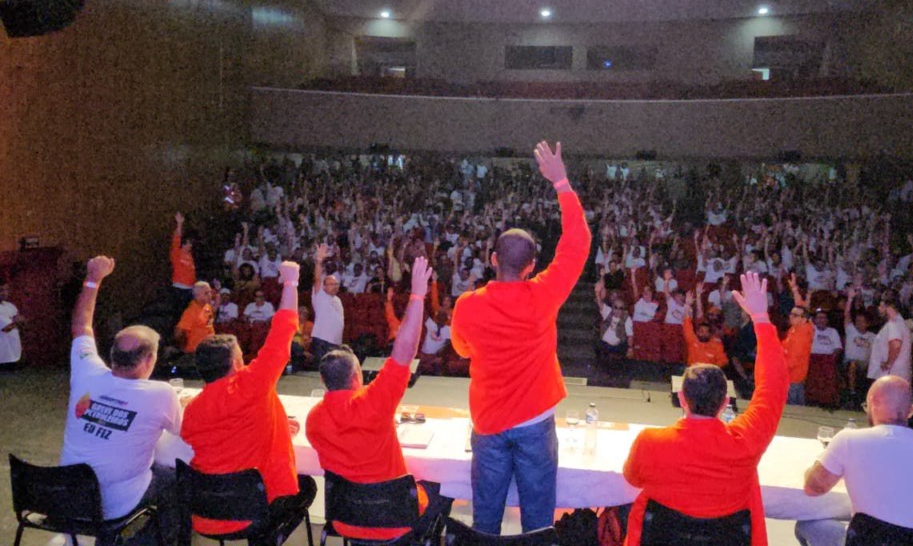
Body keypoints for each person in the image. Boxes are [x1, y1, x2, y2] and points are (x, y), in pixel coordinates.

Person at [451, 140, 591, 535]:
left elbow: (462, 349)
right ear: (531, 266)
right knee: (537, 524)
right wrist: (561, 182)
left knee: (486, 522)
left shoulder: (467, 306)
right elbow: (578, 245)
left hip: (489, 423)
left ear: (493, 259)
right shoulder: (544, 294)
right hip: (535, 422)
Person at [622, 272, 789, 546]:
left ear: (681, 398)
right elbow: (775, 385)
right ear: (725, 403)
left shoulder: (650, 442)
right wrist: (761, 318)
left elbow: (632, 478)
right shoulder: (746, 441)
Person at [306, 257, 453, 541]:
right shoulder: (374, 402)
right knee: (441, 487)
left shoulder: (314, 420)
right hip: (395, 520)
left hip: (345, 519)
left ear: (324, 382)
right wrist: (417, 294)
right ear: (357, 378)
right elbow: (405, 350)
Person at [181, 260, 316, 536]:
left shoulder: (192, 409)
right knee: (308, 486)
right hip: (252, 511)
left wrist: (275, 423)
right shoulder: (252, 384)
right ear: (234, 363)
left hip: (207, 512)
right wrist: (290, 283)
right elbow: (283, 330)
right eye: (241, 355)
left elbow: (229, 433)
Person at [59, 256, 181, 545]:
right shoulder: (161, 394)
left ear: (111, 354)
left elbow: (81, 326)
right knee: (176, 480)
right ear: (150, 360)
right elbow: (186, 431)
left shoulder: (86, 370)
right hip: (112, 508)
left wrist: (93, 279)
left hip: (64, 498)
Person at [795, 376, 913, 546]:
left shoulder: (850, 439)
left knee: (806, 524)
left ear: (873, 403)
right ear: (911, 410)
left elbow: (813, 488)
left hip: (871, 541)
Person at [867, 291, 913, 383]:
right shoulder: (897, 323)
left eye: (881, 306)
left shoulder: (894, 324)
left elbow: (895, 344)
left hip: (891, 372)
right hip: (894, 372)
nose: (879, 309)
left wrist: (888, 363)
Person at [311, 243, 345, 365]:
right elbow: (317, 278)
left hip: (335, 342)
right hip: (322, 341)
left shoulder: (338, 300)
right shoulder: (320, 295)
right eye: (331, 284)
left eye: (336, 284)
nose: (335, 286)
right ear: (324, 287)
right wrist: (319, 260)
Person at [782, 276, 813, 405]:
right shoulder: (795, 328)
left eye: (794, 316)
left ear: (804, 319)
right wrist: (794, 289)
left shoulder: (803, 333)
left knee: (793, 411)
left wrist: (778, 370)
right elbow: (800, 307)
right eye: (791, 314)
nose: (791, 317)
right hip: (789, 377)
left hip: (792, 378)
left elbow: (792, 361)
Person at [682, 290, 728, 368]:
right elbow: (687, 323)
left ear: (709, 334)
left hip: (709, 374)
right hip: (692, 372)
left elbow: (723, 361)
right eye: (699, 331)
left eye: (703, 331)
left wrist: (711, 370)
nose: (700, 333)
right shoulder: (693, 340)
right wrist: (687, 305)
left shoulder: (716, 344)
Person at [174, 281, 220, 355]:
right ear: (197, 296)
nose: (210, 295)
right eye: (206, 293)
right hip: (195, 352)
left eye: (210, 292)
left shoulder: (207, 306)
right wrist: (184, 348)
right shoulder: (191, 311)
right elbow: (179, 332)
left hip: (209, 349)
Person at [170, 212, 197, 314]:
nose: (190, 246)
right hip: (179, 288)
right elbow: (177, 237)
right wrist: (179, 224)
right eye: (188, 244)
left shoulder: (191, 257)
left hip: (189, 289)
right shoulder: (177, 253)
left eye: (191, 244)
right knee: (178, 313)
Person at [0, 281, 23, 366]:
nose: (4, 293)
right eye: (1, 290)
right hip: (2, 356)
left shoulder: (10, 306)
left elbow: (22, 321)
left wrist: (16, 321)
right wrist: (16, 321)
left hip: (14, 353)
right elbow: (6, 328)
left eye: (7, 290)